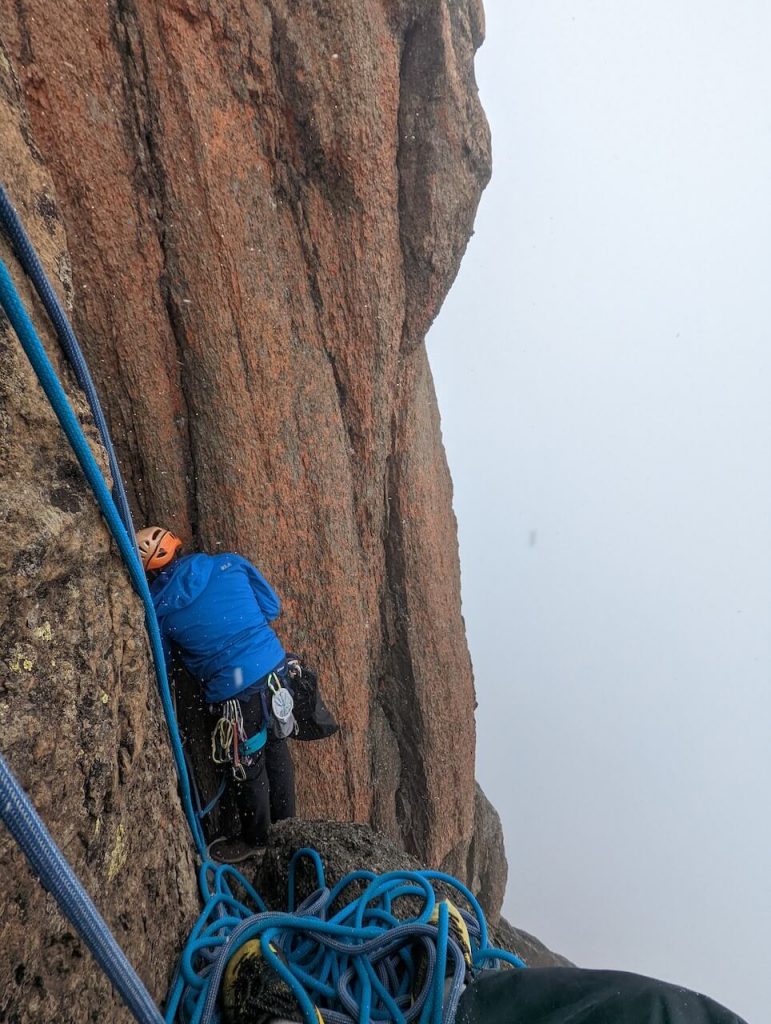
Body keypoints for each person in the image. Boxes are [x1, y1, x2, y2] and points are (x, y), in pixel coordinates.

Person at [136, 526, 296, 860]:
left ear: (148, 573)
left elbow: (165, 664)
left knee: (248, 765)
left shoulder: (160, 612)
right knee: (277, 749)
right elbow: (272, 607)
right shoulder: (230, 564)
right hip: (276, 672)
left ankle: (258, 841)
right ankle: (289, 830)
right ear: (178, 548)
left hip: (235, 692)